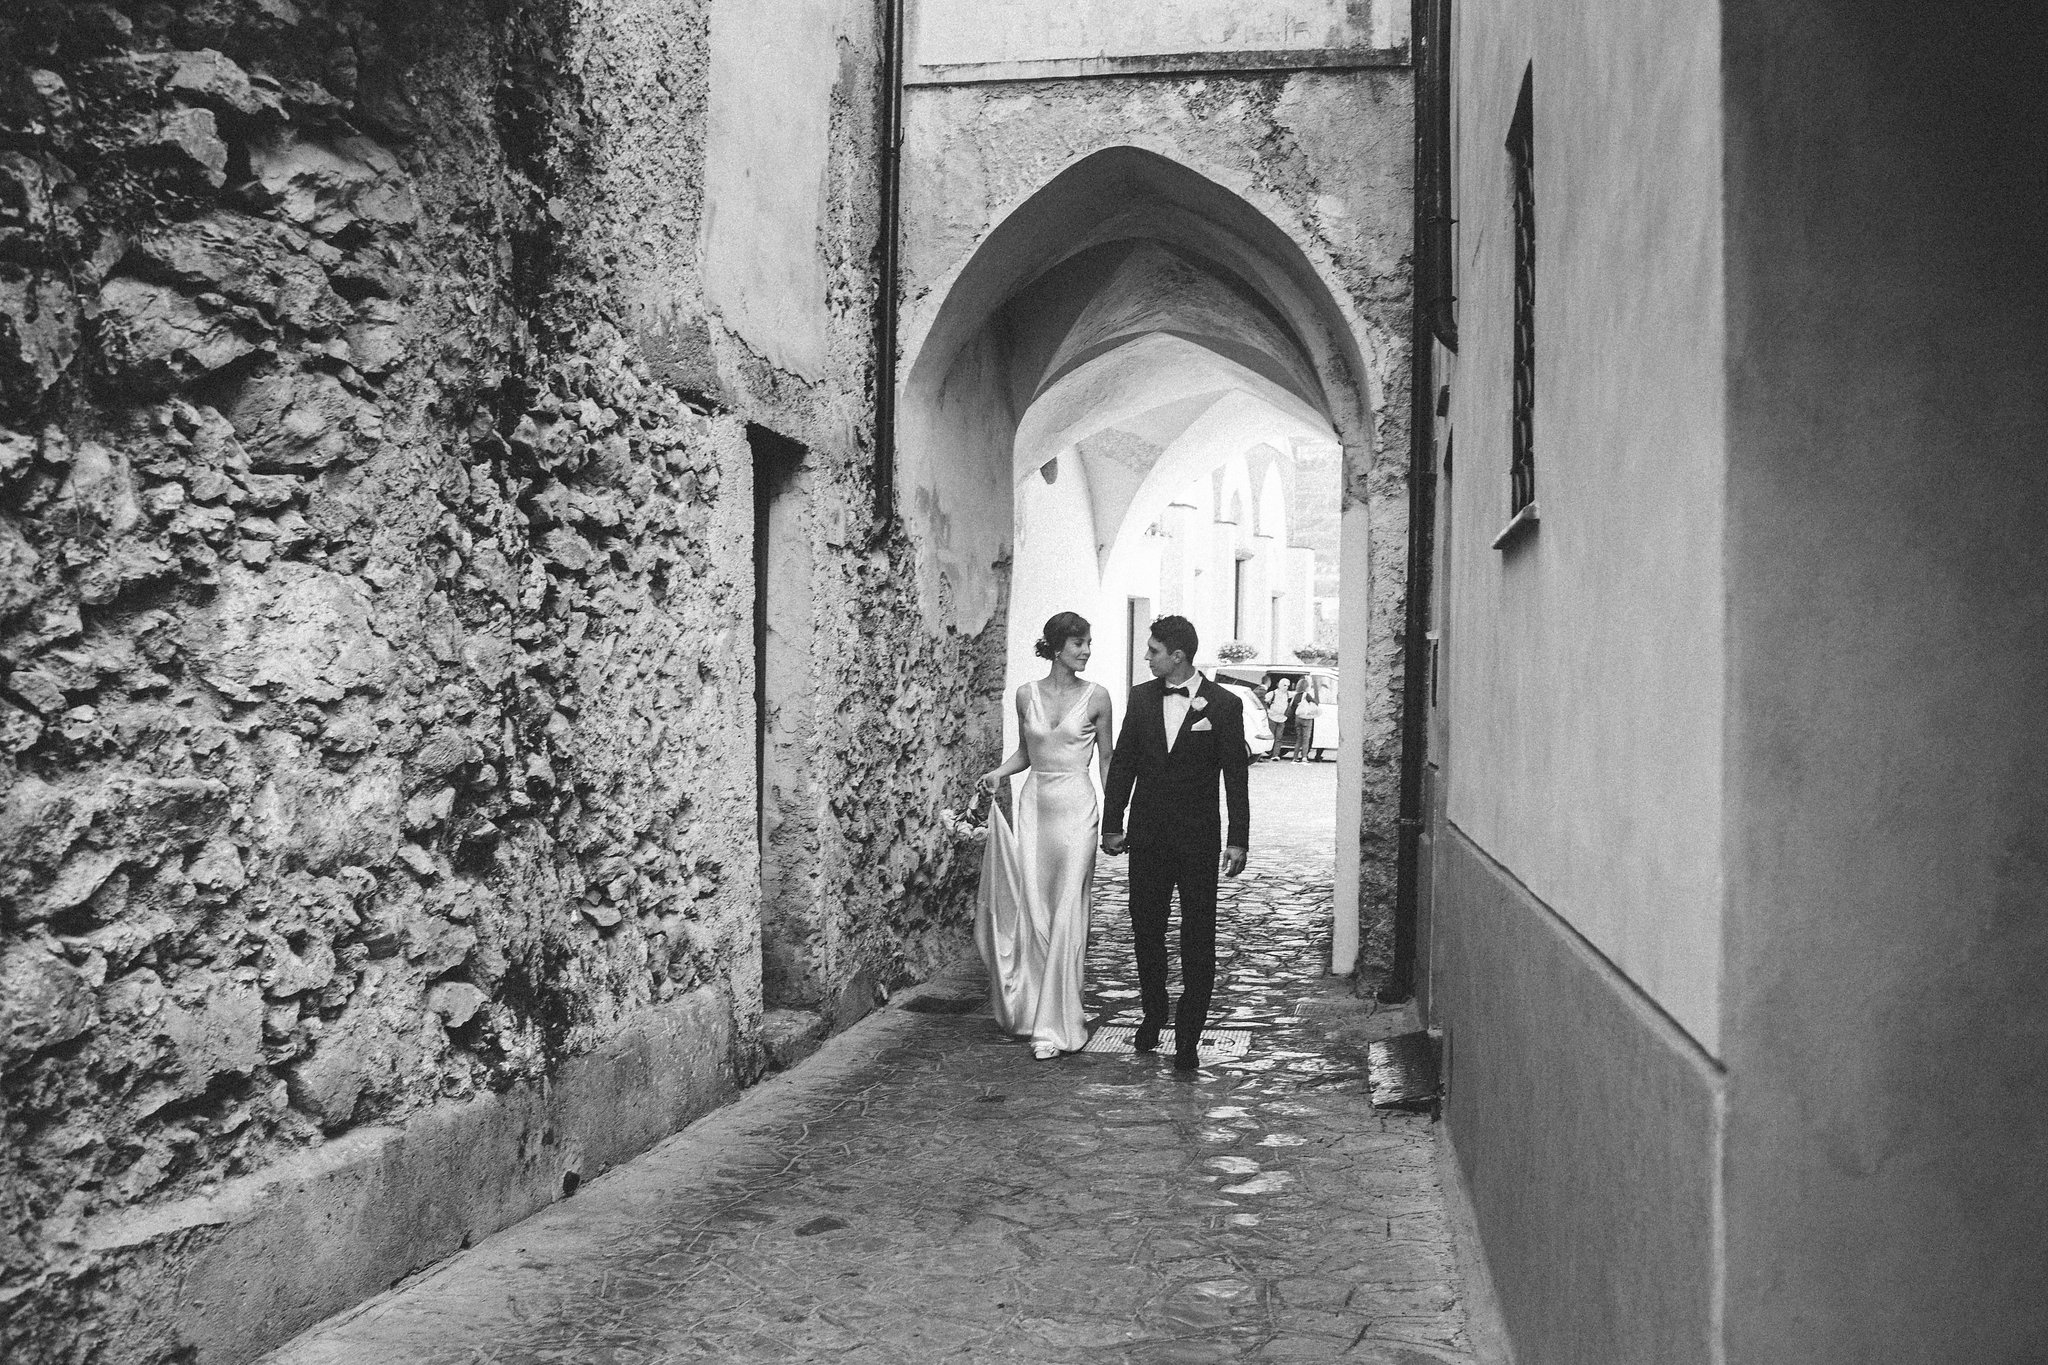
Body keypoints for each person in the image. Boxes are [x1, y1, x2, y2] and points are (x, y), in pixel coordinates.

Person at [1099, 615, 1251, 1071]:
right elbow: (1123, 762)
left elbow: (1235, 776)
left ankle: (1190, 1034)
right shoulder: (1142, 698)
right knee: (1146, 928)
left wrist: (1238, 839)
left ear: (1177, 656)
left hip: (1198, 838)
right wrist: (1113, 822)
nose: (1147, 658)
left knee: (1198, 935)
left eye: (1153, 651)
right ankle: (1152, 1014)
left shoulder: (1223, 705)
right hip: (1146, 837)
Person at [974, 611, 1113, 1060]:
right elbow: (1025, 753)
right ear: (1057, 648)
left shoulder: (1098, 698)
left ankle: (1056, 1027)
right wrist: (997, 774)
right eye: (1079, 644)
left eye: (1089, 643)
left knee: (1069, 909)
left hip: (1078, 809)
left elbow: (1107, 760)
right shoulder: (1024, 694)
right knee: (1035, 907)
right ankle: (1035, 1009)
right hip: (1035, 807)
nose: (1087, 651)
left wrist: (1115, 820)